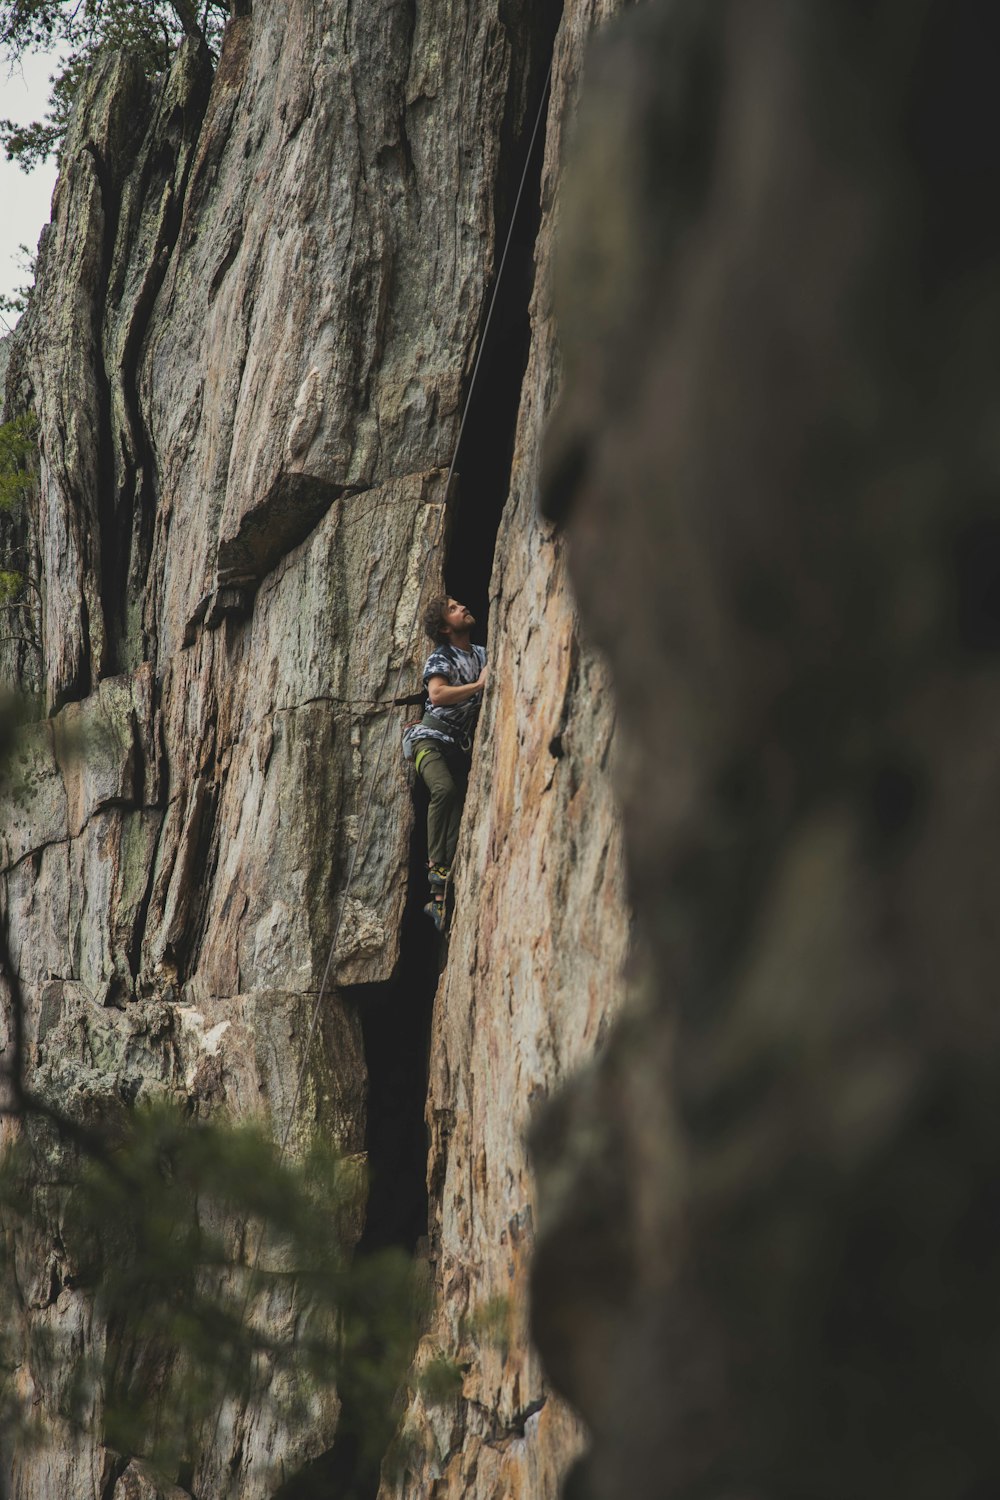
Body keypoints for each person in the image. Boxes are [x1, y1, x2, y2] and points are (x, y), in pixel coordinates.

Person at [403, 594, 487, 930]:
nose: (463, 606)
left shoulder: (482, 654)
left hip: (456, 746)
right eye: (453, 609)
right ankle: (436, 865)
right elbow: (436, 694)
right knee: (444, 789)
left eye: (459, 604)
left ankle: (438, 898)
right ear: (444, 628)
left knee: (456, 806)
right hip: (429, 739)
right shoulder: (441, 657)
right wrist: (479, 684)